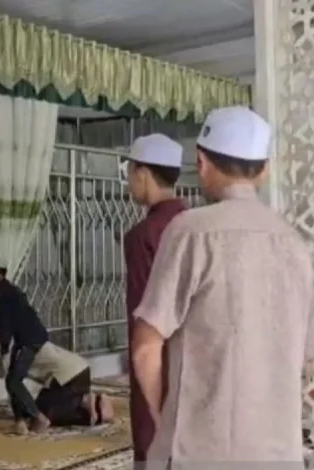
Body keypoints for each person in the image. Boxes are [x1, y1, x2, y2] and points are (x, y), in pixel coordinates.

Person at [131, 106, 314, 463]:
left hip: (199, 453)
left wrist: (167, 425)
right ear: (265, 170)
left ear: (201, 163)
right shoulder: (295, 243)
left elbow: (145, 348)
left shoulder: (190, 232)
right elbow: (306, 361)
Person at [121, 133, 187, 463]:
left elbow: (143, 317)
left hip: (158, 364)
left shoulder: (143, 236)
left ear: (142, 173)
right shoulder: (195, 226)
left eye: (130, 172)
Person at [0, 318, 114, 429]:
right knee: (47, 407)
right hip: (81, 370)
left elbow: (6, 376)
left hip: (67, 377)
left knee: (43, 416)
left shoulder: (11, 348)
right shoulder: (22, 338)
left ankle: (87, 406)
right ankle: (92, 403)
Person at [0, 252, 51, 434]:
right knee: (12, 379)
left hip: (29, 339)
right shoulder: (5, 290)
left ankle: (38, 417)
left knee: (13, 381)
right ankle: (20, 422)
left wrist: (3, 351)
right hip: (27, 337)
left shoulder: (2, 293)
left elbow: (6, 325)